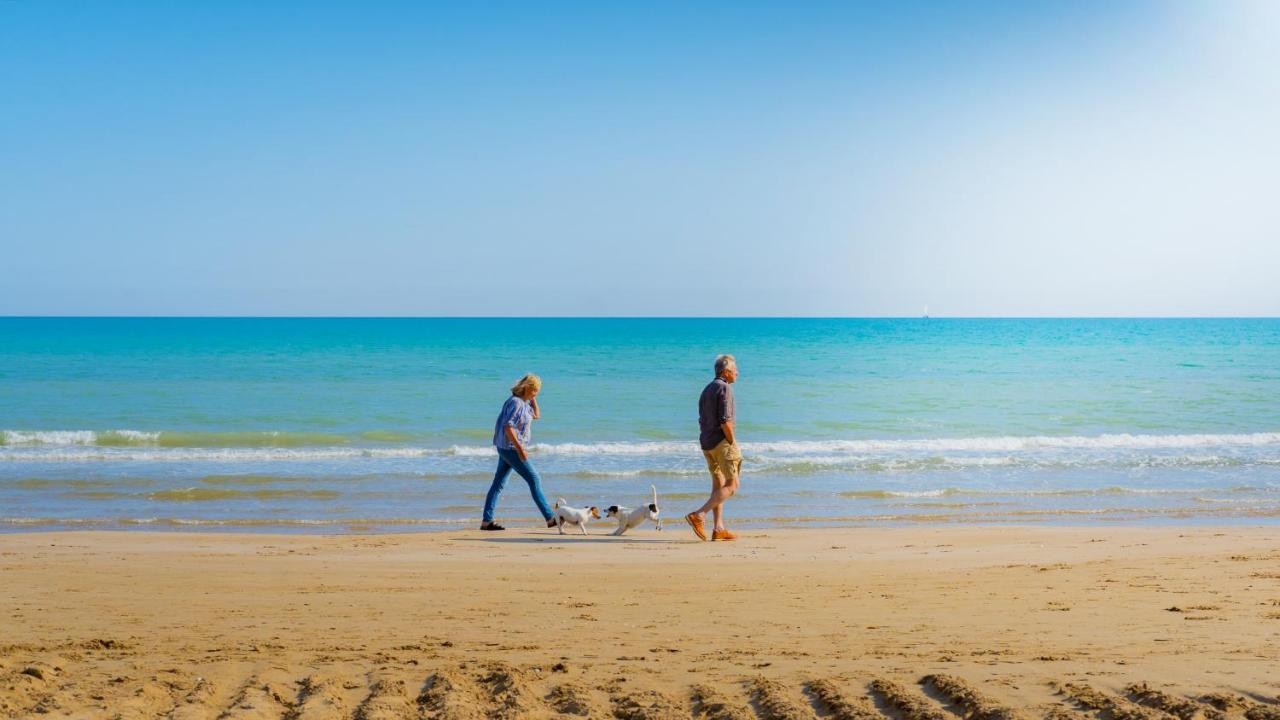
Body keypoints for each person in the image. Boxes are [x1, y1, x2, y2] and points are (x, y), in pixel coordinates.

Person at [480, 373, 557, 531]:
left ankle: (486, 522)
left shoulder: (521, 402)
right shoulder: (516, 403)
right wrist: (520, 449)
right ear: (528, 388)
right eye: (535, 390)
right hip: (511, 449)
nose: (537, 393)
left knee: (498, 484)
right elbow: (509, 427)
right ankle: (550, 518)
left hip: (504, 448)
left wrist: (532, 398)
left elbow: (536, 415)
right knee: (534, 478)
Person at [685, 354, 741, 541]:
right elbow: (725, 421)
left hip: (707, 443)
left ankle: (718, 528)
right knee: (732, 485)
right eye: (735, 370)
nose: (737, 373)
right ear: (725, 372)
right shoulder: (725, 388)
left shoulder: (707, 389)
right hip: (721, 442)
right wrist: (732, 441)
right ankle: (699, 515)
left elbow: (701, 419)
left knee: (718, 486)